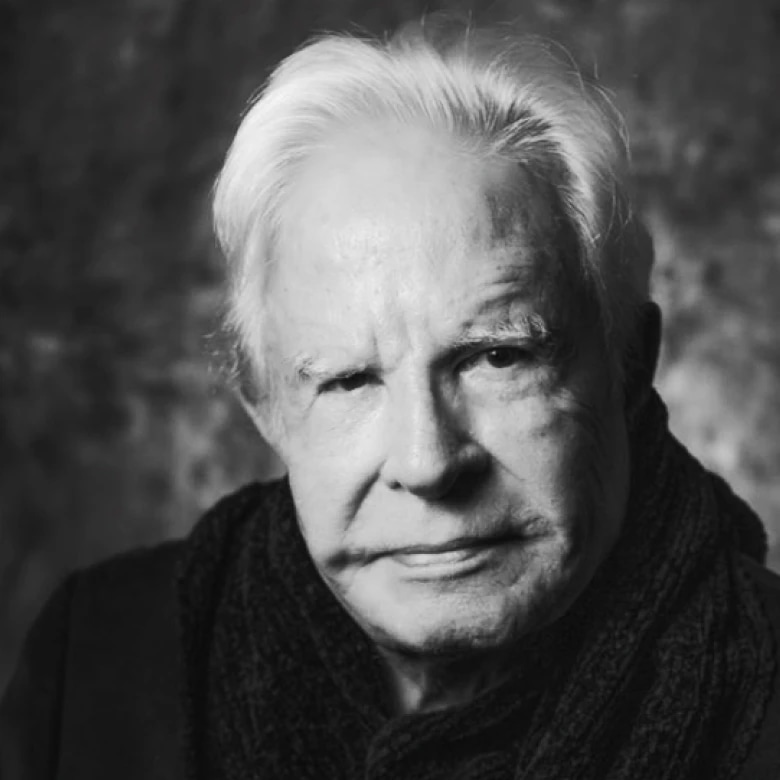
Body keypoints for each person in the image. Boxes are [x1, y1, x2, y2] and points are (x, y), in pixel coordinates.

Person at [1, 18, 779, 780]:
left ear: (630, 362)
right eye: (349, 380)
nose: (427, 463)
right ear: (264, 407)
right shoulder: (92, 660)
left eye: (497, 356)